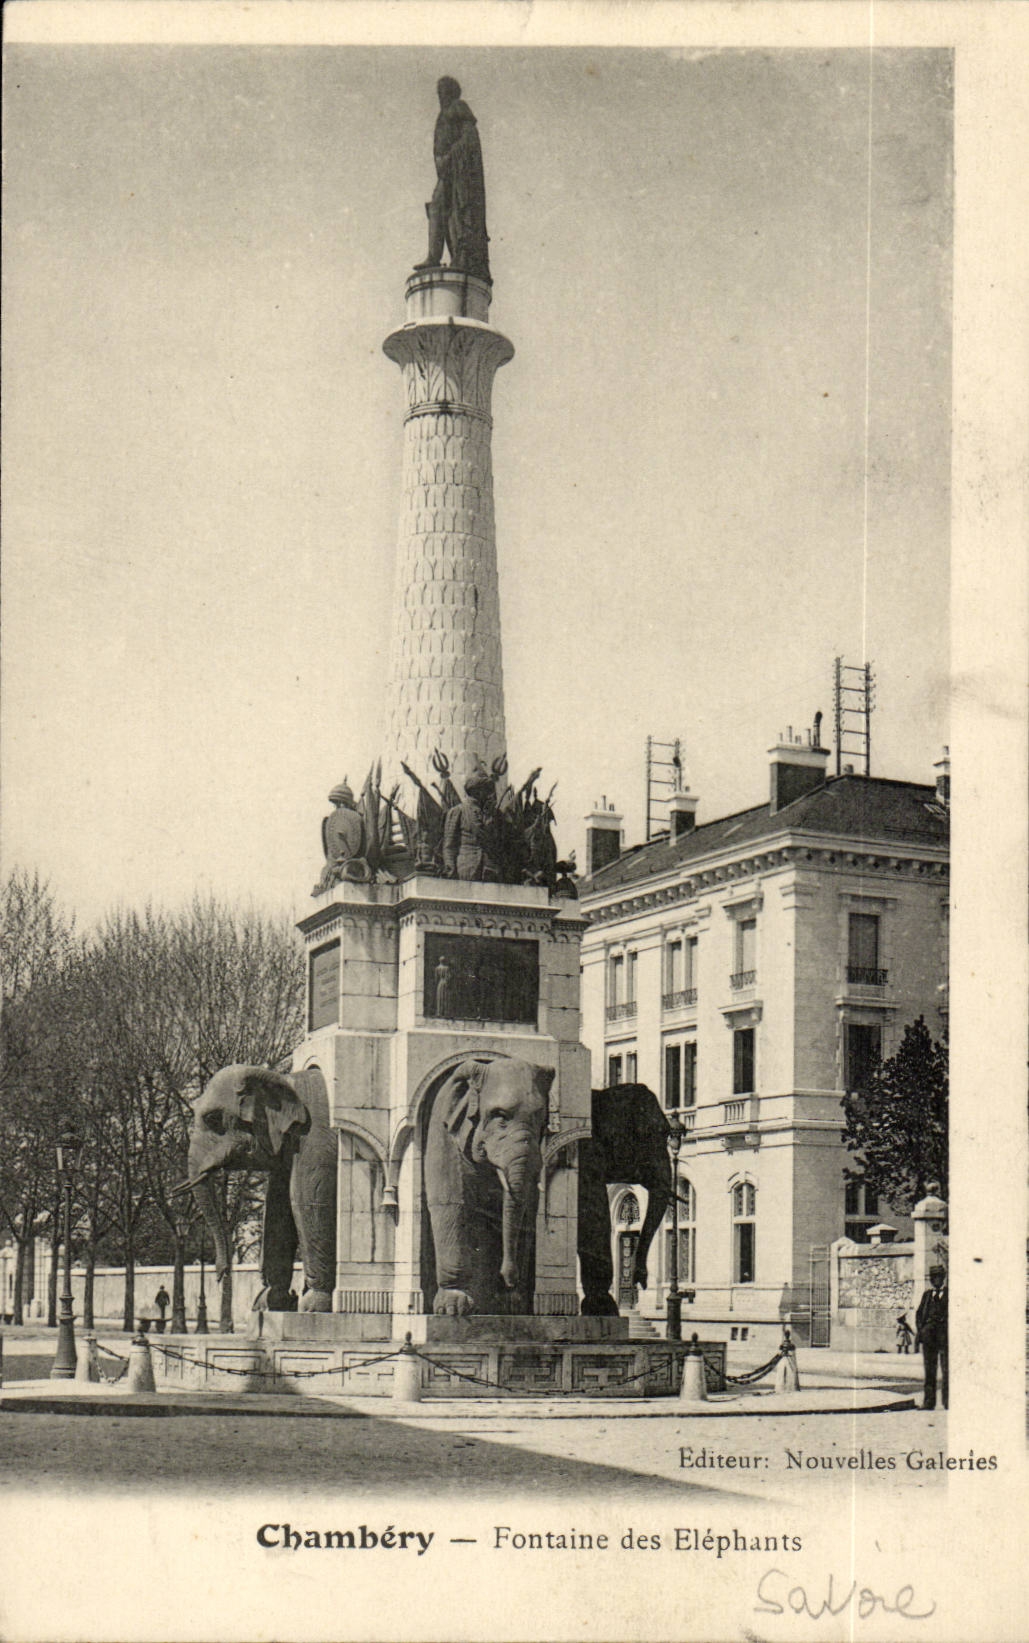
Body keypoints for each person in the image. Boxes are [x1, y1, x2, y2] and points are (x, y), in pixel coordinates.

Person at [416, 77, 490, 281]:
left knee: (453, 212)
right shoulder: (443, 115)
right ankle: (433, 256)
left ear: (451, 92)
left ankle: (457, 256)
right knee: (438, 208)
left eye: (443, 90)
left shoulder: (458, 107)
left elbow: (469, 138)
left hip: (459, 174)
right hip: (447, 173)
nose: (440, 95)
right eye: (438, 91)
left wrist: (450, 156)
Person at [442, 762, 502, 881]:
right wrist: (450, 869)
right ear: (475, 790)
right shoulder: (458, 811)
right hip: (466, 870)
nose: (488, 794)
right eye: (484, 789)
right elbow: (449, 845)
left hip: (490, 871)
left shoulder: (495, 815)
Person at [914, 1263, 948, 1408]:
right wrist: (922, 1330)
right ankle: (929, 1402)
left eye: (939, 1277)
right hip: (929, 1339)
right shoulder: (927, 1295)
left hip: (945, 1339)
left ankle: (948, 1402)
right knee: (929, 1371)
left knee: (947, 1371)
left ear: (944, 1278)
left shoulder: (950, 1294)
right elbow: (919, 1314)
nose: (936, 1280)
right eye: (933, 1278)